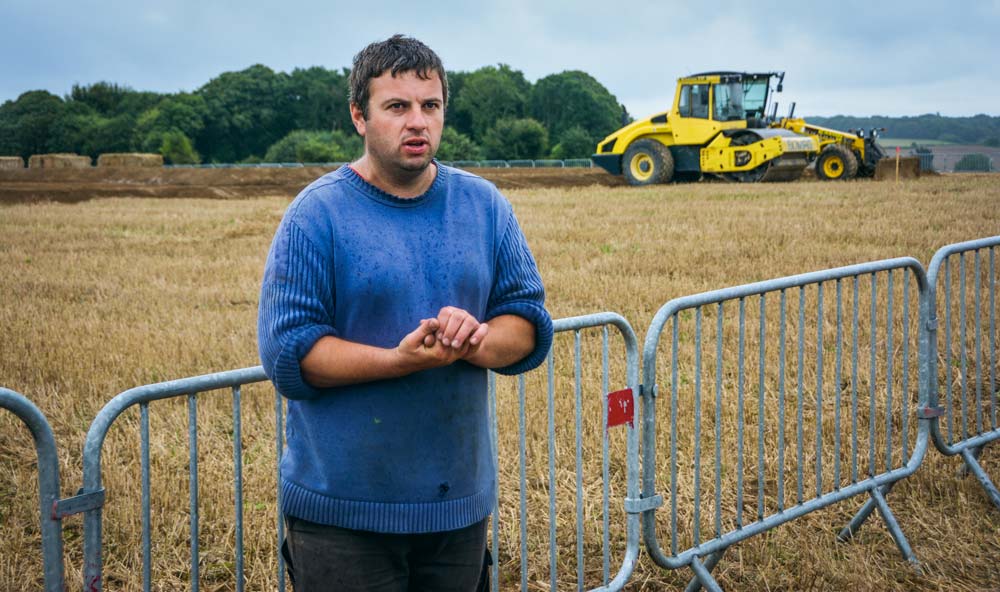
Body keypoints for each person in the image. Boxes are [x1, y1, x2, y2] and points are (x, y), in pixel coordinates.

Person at [257, 34, 553, 592]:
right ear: (358, 117)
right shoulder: (315, 215)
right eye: (397, 106)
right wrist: (397, 361)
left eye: (430, 106)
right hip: (343, 518)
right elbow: (288, 353)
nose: (417, 122)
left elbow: (526, 320)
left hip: (458, 511)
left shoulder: (485, 205)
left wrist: (477, 342)